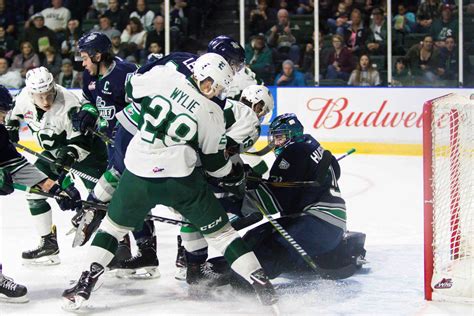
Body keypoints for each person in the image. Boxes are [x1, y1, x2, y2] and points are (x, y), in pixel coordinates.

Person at [62, 53, 278, 310]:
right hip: (182, 181)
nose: (211, 89)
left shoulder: (165, 77)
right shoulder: (212, 112)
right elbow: (215, 166)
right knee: (223, 235)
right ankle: (262, 283)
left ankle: (86, 283)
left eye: (216, 86)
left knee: (111, 229)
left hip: (138, 174)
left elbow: (131, 88)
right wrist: (235, 175)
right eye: (211, 83)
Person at [208, 113, 366, 283]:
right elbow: (327, 173)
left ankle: (241, 283)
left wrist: (230, 202)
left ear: (293, 134)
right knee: (256, 235)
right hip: (330, 228)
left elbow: (273, 200)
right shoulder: (314, 148)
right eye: (275, 137)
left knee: (272, 248)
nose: (276, 143)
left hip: (317, 225)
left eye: (280, 137)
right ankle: (225, 267)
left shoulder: (295, 151)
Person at [4, 67, 107, 264]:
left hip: (88, 155)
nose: (46, 102)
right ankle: (48, 244)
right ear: (31, 92)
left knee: (103, 201)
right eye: (40, 96)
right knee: (34, 194)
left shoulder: (69, 103)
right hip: (51, 155)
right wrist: (10, 128)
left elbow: (81, 143)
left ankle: (122, 247)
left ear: (54, 88)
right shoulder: (23, 96)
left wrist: (65, 176)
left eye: (49, 95)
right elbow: (11, 115)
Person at [179, 84, 274, 285]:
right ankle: (197, 254)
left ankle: (190, 264)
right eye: (262, 110)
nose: (261, 115)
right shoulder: (246, 120)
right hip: (203, 171)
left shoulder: (224, 105)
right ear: (257, 105)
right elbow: (220, 152)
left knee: (191, 214)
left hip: (179, 165)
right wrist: (239, 174)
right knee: (243, 210)